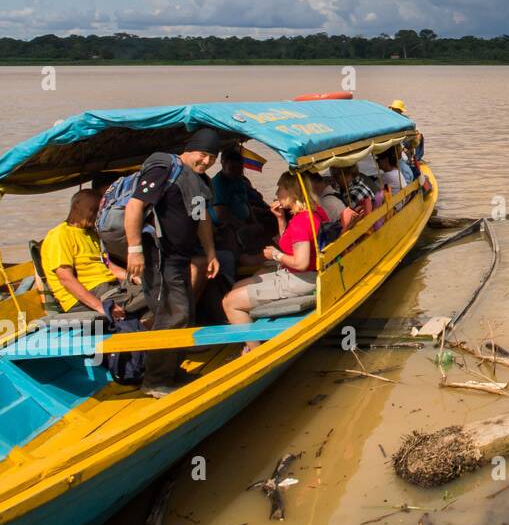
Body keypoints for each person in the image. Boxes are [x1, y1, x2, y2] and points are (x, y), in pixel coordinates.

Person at [124, 129, 222, 398]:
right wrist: (134, 250)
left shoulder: (200, 182)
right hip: (159, 259)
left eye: (213, 157)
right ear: (190, 149)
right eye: (203, 155)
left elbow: (202, 220)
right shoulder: (164, 168)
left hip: (180, 259)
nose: (206, 162)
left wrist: (211, 253)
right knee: (171, 316)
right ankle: (155, 380)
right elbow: (135, 206)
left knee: (184, 314)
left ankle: (172, 371)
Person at [41, 190, 148, 383]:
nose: (95, 215)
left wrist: (132, 277)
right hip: (90, 294)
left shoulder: (91, 234)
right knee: (152, 297)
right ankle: (142, 359)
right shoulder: (59, 236)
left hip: (112, 287)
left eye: (98, 210)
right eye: (91, 210)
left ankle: (156, 348)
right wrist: (100, 306)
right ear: (75, 207)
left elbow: (109, 266)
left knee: (156, 286)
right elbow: (66, 279)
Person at [221, 172, 324, 350]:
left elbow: (300, 263)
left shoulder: (301, 222)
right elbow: (290, 247)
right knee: (236, 288)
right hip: (301, 275)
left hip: (299, 279)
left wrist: (275, 255)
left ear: (292, 192)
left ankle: (255, 351)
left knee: (229, 303)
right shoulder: (313, 213)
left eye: (280, 189)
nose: (276, 194)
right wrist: (280, 219)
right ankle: (252, 332)